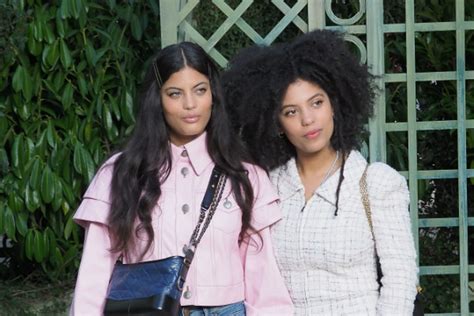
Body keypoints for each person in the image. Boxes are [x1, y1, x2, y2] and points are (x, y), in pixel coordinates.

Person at [70, 41, 293, 316]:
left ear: (213, 94)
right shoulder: (121, 172)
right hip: (147, 309)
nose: (190, 104)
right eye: (175, 94)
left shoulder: (246, 177)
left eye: (200, 90)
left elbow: (264, 279)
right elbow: (95, 271)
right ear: (158, 100)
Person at [223, 30, 419, 315]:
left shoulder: (376, 183)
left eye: (317, 103)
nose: (308, 120)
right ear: (276, 123)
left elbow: (400, 281)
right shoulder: (268, 185)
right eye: (291, 111)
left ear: (334, 106)